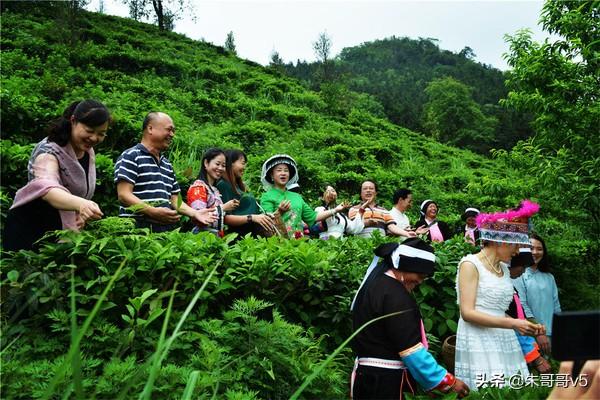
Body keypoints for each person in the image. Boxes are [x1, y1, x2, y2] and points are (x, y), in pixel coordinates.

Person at [350, 238, 470, 399]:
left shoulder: (375, 284)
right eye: (420, 275)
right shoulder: (395, 295)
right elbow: (410, 349)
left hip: (367, 377)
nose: (420, 281)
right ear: (405, 266)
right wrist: (445, 381)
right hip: (388, 382)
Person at [455, 200, 544, 390]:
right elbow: (468, 313)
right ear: (500, 239)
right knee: (489, 388)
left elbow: (496, 310)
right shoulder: (470, 265)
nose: (518, 251)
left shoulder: (503, 269)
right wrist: (513, 323)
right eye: (516, 244)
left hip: (504, 337)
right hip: (479, 338)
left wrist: (525, 326)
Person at [4, 100, 110, 251]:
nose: (94, 138)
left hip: (59, 231)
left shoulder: (87, 151)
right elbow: (47, 188)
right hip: (30, 230)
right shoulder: (48, 151)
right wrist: (80, 204)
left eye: (101, 134)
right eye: (89, 130)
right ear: (73, 121)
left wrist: (80, 212)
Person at [114, 112, 216, 232]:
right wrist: (152, 212)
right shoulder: (131, 156)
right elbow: (124, 195)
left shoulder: (166, 164)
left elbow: (175, 199)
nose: (172, 135)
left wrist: (194, 213)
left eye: (173, 131)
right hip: (135, 230)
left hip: (164, 230)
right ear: (150, 128)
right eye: (169, 130)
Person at [259, 154, 345, 239]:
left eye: (286, 170)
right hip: (278, 244)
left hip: (299, 244)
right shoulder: (267, 196)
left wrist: (336, 209)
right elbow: (267, 222)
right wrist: (279, 212)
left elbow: (313, 216)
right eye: (279, 170)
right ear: (271, 175)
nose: (283, 173)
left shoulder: (297, 197)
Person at [514, 233, 561, 355]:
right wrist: (538, 332)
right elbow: (522, 306)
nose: (535, 252)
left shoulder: (549, 277)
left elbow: (556, 307)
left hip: (551, 334)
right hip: (530, 334)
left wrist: (561, 330)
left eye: (539, 249)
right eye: (531, 248)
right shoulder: (518, 274)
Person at [507, 247, 551, 374]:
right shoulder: (504, 289)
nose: (524, 271)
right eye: (523, 266)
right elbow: (516, 324)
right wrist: (537, 359)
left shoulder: (511, 286)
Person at [215, 149, 277, 237]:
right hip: (240, 236)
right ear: (230, 163)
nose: (244, 167)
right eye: (242, 163)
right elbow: (224, 218)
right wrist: (252, 218)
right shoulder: (223, 185)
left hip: (251, 234)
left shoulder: (238, 186)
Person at [186, 148, 239, 236]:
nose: (220, 168)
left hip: (214, 236)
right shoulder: (198, 187)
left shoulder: (214, 189)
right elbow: (199, 217)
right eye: (217, 164)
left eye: (223, 165)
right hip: (202, 237)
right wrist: (224, 207)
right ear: (206, 163)